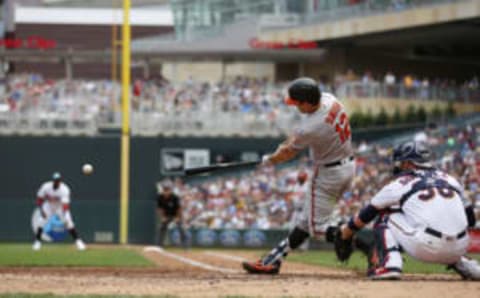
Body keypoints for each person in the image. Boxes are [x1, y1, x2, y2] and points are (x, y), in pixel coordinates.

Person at [242, 77, 355, 274]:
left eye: (297, 103)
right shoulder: (329, 99)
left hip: (329, 173)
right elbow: (292, 141)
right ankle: (273, 260)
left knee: (316, 229)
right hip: (347, 165)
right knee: (303, 224)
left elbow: (287, 152)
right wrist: (275, 154)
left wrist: (269, 160)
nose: (296, 107)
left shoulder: (311, 126)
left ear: (307, 102)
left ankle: (358, 241)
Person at [339, 141, 480, 280]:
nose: (398, 166)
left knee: (385, 215)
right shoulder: (451, 179)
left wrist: (346, 232)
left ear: (408, 163)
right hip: (460, 247)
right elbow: (471, 220)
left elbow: (367, 214)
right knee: (443, 226)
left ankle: (390, 264)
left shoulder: (400, 183)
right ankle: (468, 266)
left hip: (425, 246)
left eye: (400, 162)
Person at [33, 172, 86, 251]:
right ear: (53, 180)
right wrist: (41, 210)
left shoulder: (64, 189)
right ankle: (37, 242)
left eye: (58, 180)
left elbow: (65, 205)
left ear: (60, 181)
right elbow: (39, 199)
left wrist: (65, 214)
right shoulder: (46, 186)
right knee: (41, 222)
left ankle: (78, 242)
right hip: (49, 206)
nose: (56, 182)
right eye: (55, 180)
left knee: (68, 222)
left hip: (60, 207)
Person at [157, 181, 188, 248]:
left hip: (175, 215)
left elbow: (179, 209)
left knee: (181, 228)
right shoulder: (160, 197)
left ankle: (185, 245)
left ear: (170, 190)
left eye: (167, 189)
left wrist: (177, 217)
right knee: (162, 228)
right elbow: (160, 209)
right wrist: (162, 217)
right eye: (165, 189)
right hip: (166, 215)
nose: (166, 191)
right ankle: (160, 245)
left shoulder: (175, 197)